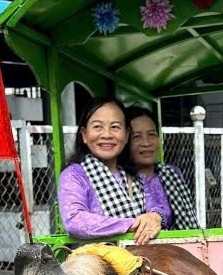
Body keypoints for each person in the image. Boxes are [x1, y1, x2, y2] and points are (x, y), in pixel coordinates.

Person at [57, 97, 165, 243]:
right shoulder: (74, 175)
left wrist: (155, 216)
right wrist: (132, 224)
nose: (107, 135)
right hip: (95, 261)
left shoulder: (135, 176)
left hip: (143, 257)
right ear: (84, 135)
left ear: (126, 135)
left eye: (115, 127)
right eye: (97, 127)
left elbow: (158, 207)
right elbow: (75, 221)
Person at [126, 107, 200, 231]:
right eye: (137, 137)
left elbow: (187, 218)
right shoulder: (118, 179)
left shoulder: (172, 173)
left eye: (151, 134)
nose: (147, 143)